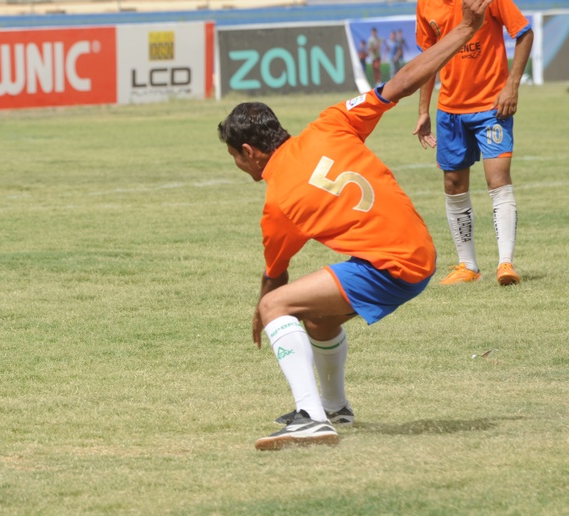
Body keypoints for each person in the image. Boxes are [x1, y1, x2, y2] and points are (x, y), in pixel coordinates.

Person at [216, 0, 492, 450]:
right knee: (318, 321)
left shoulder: (279, 202)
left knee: (278, 309)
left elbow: (275, 276)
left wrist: (263, 311)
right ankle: (336, 408)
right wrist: (463, 31)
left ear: (249, 151)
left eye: (234, 157)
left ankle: (309, 417)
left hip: (391, 265)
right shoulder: (331, 123)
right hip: (419, 252)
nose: (237, 166)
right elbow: (398, 85)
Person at [414, 0, 533, 285]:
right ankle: (468, 266)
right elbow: (428, 60)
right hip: (450, 111)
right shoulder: (425, 5)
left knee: (498, 180)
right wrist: (422, 111)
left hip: (492, 107)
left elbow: (524, 33)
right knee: (453, 184)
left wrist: (512, 85)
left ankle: (505, 263)